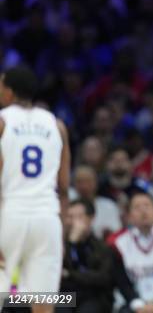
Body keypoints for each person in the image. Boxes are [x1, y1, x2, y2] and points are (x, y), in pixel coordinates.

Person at [0, 66, 71, 313]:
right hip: (46, 218)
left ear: (8, 91)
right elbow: (63, 187)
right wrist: (61, 233)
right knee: (43, 304)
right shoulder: (57, 124)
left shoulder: (2, 121)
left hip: (10, 215)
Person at [58, 199, 114, 312]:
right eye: (70, 216)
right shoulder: (61, 245)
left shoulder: (102, 247)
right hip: (66, 296)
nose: (73, 221)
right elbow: (59, 277)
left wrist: (70, 274)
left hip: (94, 296)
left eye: (79, 216)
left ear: (91, 218)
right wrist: (72, 242)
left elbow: (102, 278)